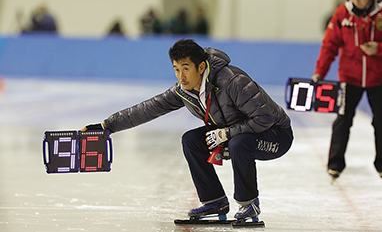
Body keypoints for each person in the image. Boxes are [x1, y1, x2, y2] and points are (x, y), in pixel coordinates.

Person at [83, 39, 293, 222]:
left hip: (275, 134)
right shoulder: (184, 91)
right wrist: (106, 126)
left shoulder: (233, 81)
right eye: (176, 69)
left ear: (201, 67)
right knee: (191, 140)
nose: (180, 76)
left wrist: (227, 133)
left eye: (185, 68)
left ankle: (249, 203)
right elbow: (147, 109)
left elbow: (264, 118)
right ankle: (215, 201)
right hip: (234, 132)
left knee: (240, 142)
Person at [312, 0, 382, 182]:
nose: (355, 1)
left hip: (379, 78)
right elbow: (329, 45)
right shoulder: (343, 14)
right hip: (349, 77)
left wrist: (380, 48)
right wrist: (319, 72)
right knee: (343, 120)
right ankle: (335, 165)